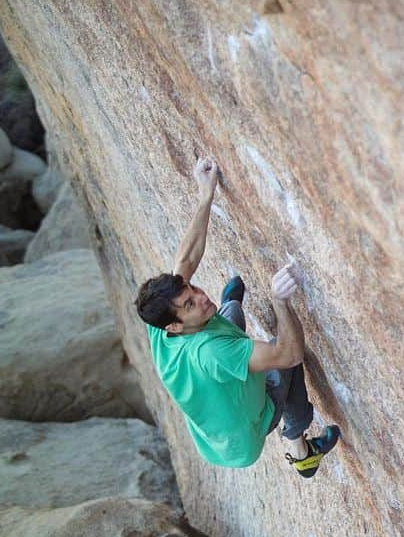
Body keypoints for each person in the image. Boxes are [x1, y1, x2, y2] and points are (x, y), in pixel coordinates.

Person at [133, 155, 340, 477]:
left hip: (215, 432)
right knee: (283, 360)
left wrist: (205, 195)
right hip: (245, 438)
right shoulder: (213, 352)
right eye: (190, 304)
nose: (201, 297)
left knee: (227, 313)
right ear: (175, 325)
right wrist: (279, 302)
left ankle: (231, 309)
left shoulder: (162, 325)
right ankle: (301, 448)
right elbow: (288, 353)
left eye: (193, 290)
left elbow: (185, 259)